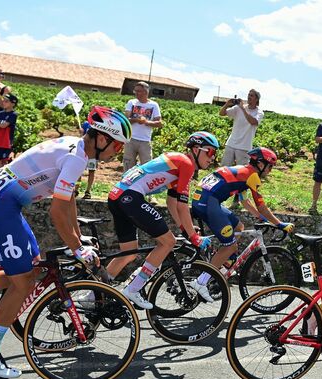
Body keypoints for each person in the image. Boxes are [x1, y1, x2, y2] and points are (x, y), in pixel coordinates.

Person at [0, 106, 128, 378]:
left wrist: (79, 237)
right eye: (117, 146)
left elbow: (68, 199)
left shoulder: (76, 149)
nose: (117, 153)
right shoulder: (76, 158)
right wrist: (77, 249)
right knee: (23, 283)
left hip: (5, 204)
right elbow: (56, 212)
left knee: (32, 269)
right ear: (102, 138)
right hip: (0, 208)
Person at [98, 132, 220, 309]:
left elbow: (172, 202)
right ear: (195, 149)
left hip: (117, 196)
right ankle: (134, 288)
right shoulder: (186, 164)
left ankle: (95, 294)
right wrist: (194, 237)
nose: (213, 158)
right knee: (168, 242)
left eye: (215, 154)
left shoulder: (178, 161)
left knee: (129, 252)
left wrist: (185, 229)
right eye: (210, 152)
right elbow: (182, 206)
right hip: (130, 197)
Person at [190, 147, 294, 294]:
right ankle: (201, 282)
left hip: (205, 200)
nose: (270, 170)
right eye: (270, 166)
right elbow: (261, 206)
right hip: (208, 203)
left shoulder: (243, 172)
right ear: (260, 164)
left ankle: (226, 262)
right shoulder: (252, 176)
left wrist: (261, 218)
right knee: (230, 246)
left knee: (238, 227)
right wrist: (279, 224)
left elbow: (245, 202)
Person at [124, 81, 163, 170]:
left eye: (139, 91)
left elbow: (159, 123)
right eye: (135, 91)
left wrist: (146, 122)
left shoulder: (154, 105)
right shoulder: (131, 103)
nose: (136, 93)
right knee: (128, 166)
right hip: (130, 140)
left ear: (146, 92)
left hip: (145, 141)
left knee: (147, 167)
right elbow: (126, 120)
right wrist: (136, 120)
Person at [220, 89, 264, 166]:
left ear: (257, 99)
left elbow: (253, 122)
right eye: (248, 95)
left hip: (244, 147)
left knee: (242, 170)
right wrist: (227, 104)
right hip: (231, 143)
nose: (249, 97)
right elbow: (222, 113)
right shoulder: (238, 108)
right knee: (224, 168)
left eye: (251, 95)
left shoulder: (259, 112)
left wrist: (243, 109)